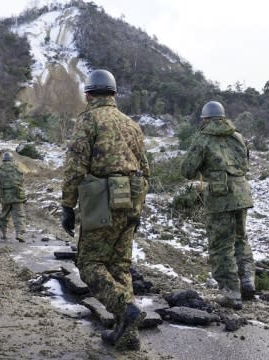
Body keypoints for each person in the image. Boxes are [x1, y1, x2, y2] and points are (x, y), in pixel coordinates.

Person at [60, 69, 150, 351]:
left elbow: (75, 167)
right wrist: (138, 207)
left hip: (101, 200)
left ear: (88, 95)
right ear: (113, 94)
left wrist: (67, 205)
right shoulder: (132, 125)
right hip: (131, 200)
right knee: (120, 265)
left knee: (89, 265)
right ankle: (127, 334)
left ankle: (125, 309)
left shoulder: (88, 121)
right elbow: (145, 170)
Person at [180, 101, 255, 310]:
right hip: (242, 194)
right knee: (240, 239)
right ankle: (247, 280)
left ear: (204, 119)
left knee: (221, 245)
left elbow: (187, 170)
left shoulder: (203, 139)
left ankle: (231, 293)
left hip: (221, 197)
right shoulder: (238, 136)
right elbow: (245, 165)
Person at [0, 152, 26, 242]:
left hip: (5, 196)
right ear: (12, 159)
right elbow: (22, 180)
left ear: (3, 159)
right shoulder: (17, 168)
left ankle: (3, 233)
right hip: (17, 195)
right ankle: (19, 233)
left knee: (4, 214)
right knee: (19, 215)